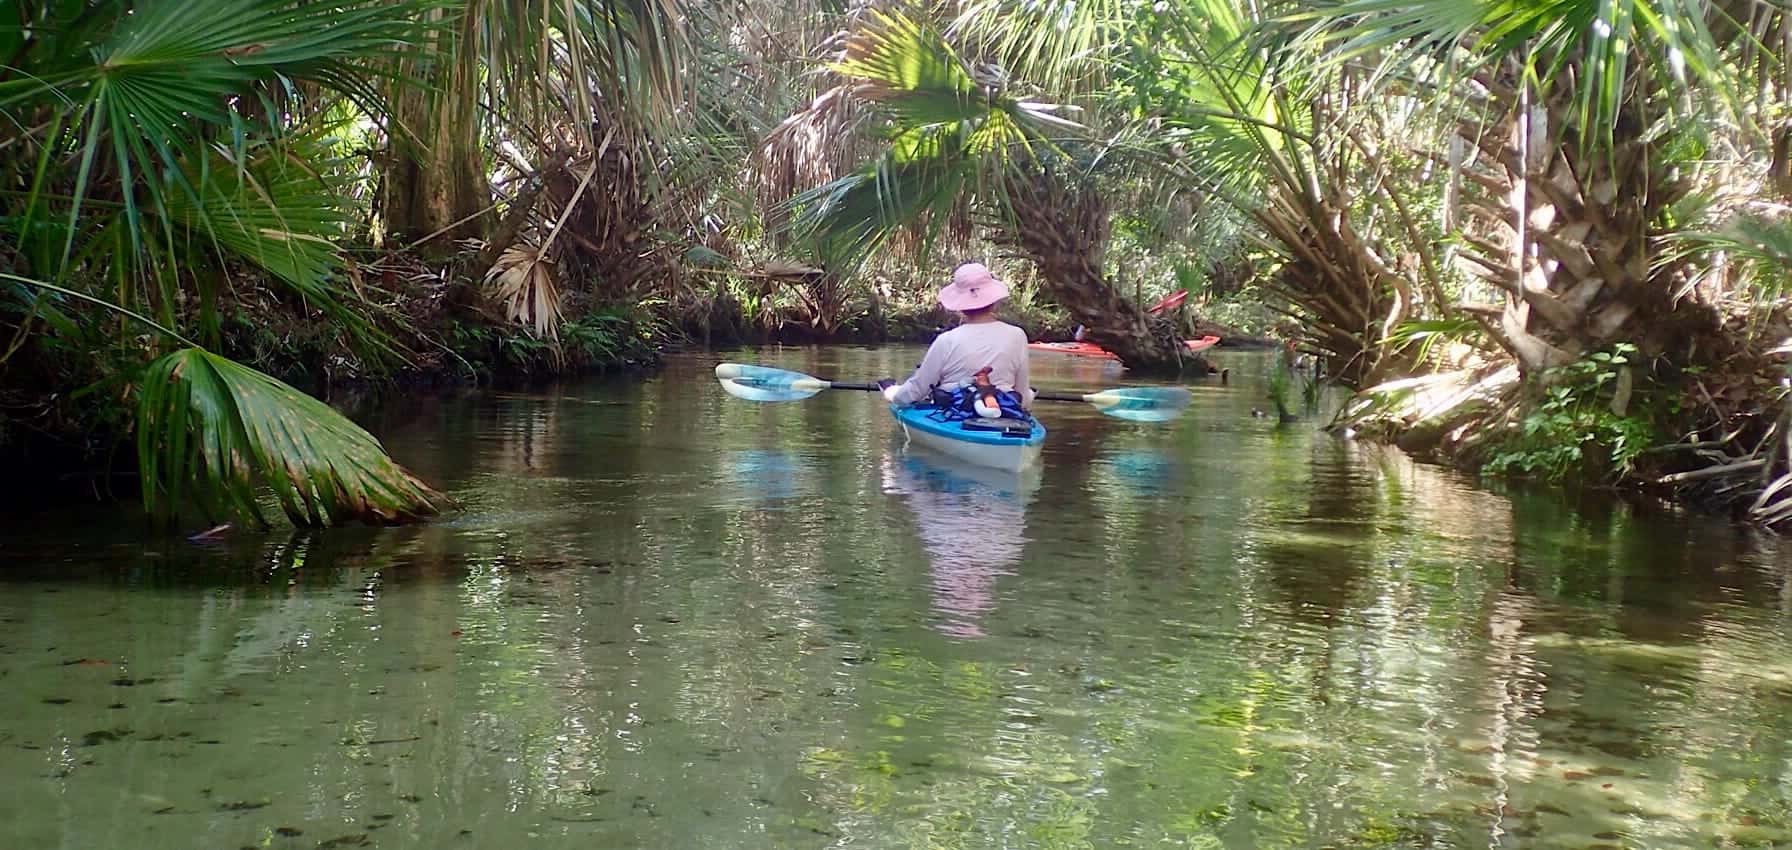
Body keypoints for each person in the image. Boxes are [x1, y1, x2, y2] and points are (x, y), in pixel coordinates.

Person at [879, 262, 1034, 416]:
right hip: (1005, 408)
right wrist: (1029, 396)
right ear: (993, 302)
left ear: (961, 306)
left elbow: (915, 391)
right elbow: (1022, 396)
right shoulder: (1018, 335)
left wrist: (891, 393)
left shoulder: (946, 340)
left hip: (955, 410)